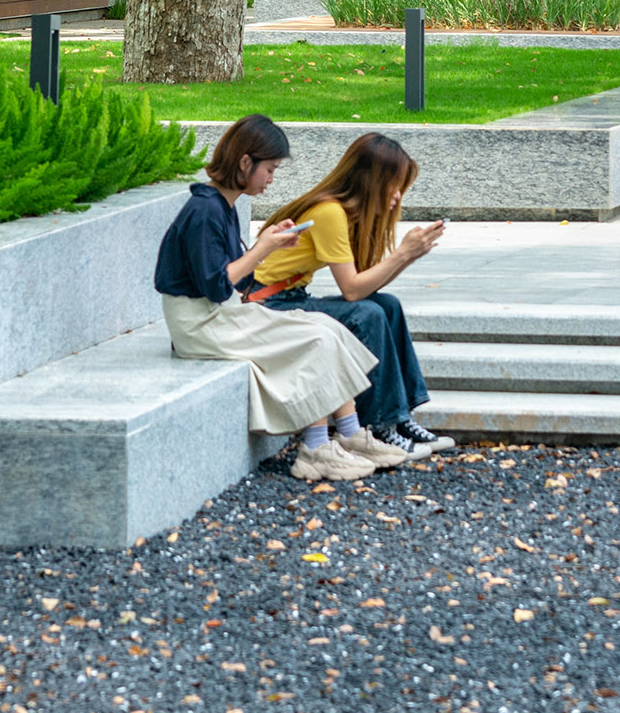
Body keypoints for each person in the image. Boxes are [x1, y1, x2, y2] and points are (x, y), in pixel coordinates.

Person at [156, 115, 406, 484]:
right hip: (200, 325)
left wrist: (266, 244)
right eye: (269, 169)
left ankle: (350, 433)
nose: (271, 178)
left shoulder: (219, 207)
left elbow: (226, 282)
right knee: (314, 338)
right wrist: (263, 249)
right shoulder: (205, 211)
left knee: (325, 325)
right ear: (245, 163)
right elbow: (215, 285)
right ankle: (315, 449)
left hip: (217, 315)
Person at [247, 132, 454, 465]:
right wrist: (403, 254)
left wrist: (409, 255)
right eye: (394, 185)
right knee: (367, 314)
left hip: (289, 297)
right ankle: (380, 424)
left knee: (387, 305)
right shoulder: (330, 212)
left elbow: (365, 285)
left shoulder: (347, 214)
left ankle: (400, 418)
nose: (398, 195)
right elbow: (353, 290)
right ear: (372, 181)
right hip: (269, 304)